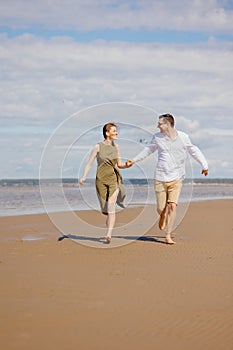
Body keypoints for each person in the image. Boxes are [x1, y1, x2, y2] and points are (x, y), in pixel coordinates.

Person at [127, 114, 208, 245]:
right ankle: (162, 215)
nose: (157, 126)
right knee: (161, 208)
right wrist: (134, 160)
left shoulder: (183, 137)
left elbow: (194, 151)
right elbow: (148, 150)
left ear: (168, 124)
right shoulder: (157, 137)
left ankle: (168, 235)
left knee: (172, 206)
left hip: (177, 178)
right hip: (160, 177)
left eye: (160, 123)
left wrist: (204, 165)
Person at [79, 122, 131, 243]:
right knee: (106, 210)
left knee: (111, 205)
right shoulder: (97, 147)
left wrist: (127, 165)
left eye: (116, 131)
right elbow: (90, 163)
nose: (116, 133)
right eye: (114, 131)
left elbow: (120, 165)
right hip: (101, 180)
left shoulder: (116, 147)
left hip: (114, 179)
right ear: (107, 133)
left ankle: (108, 234)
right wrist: (84, 176)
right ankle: (108, 229)